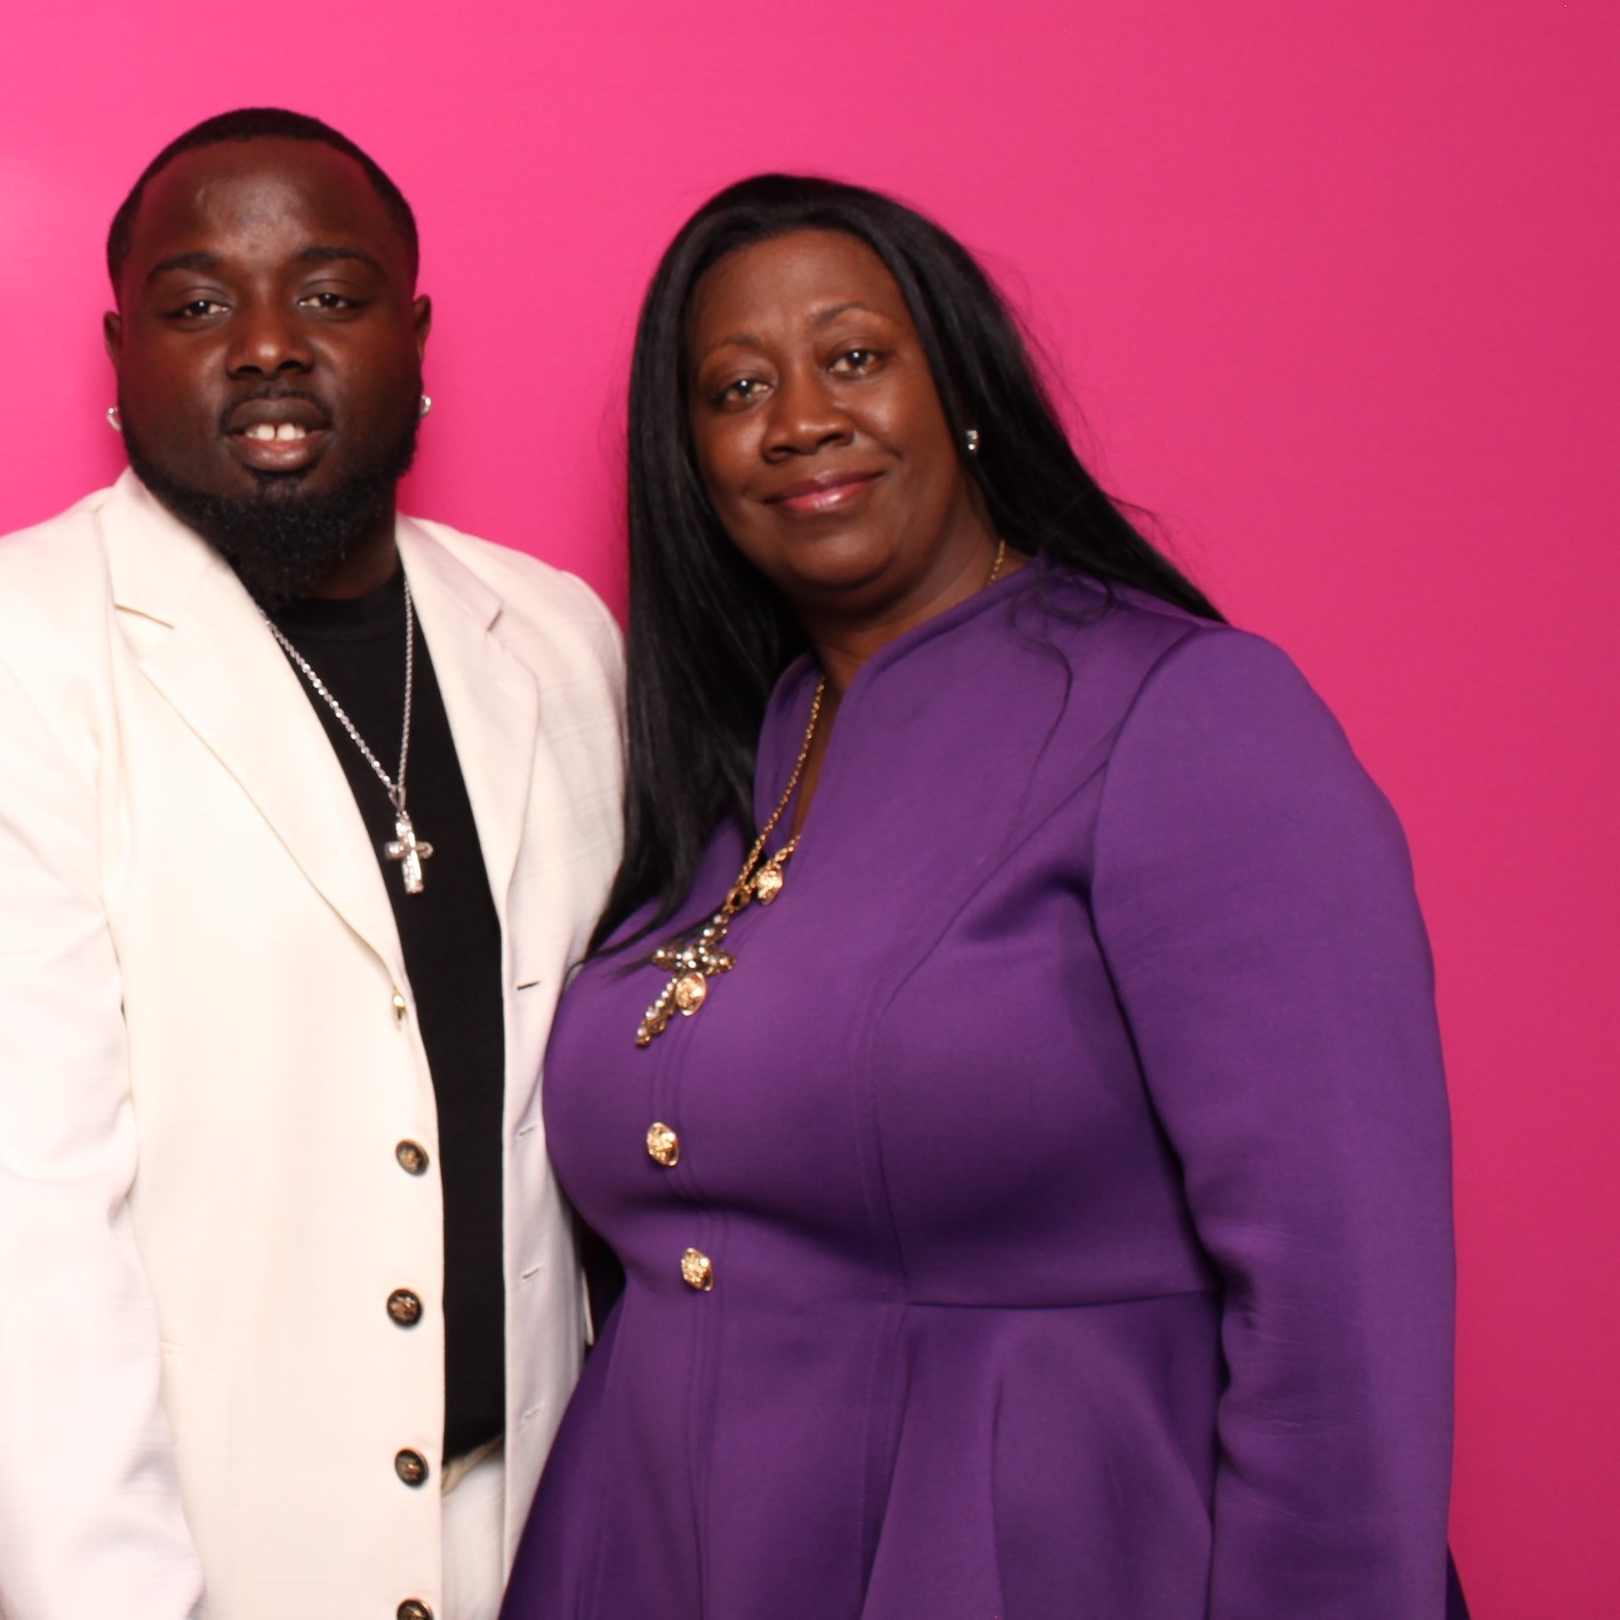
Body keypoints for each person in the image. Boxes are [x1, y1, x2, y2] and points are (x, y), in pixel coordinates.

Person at [501, 175, 1457, 1619]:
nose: (800, 418)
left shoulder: (1187, 716)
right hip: (658, 1555)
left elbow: (1346, 1306)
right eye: (737, 388)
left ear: (960, 390)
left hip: (1025, 1556)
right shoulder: (732, 761)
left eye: (854, 357)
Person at [0, 108, 625, 1620]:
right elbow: (13, 1246)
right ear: (121, 354)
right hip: (186, 1563)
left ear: (415, 336)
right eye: (200, 305)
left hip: (535, 1537)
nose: (267, 344)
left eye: (329, 295)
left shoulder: (559, 639)